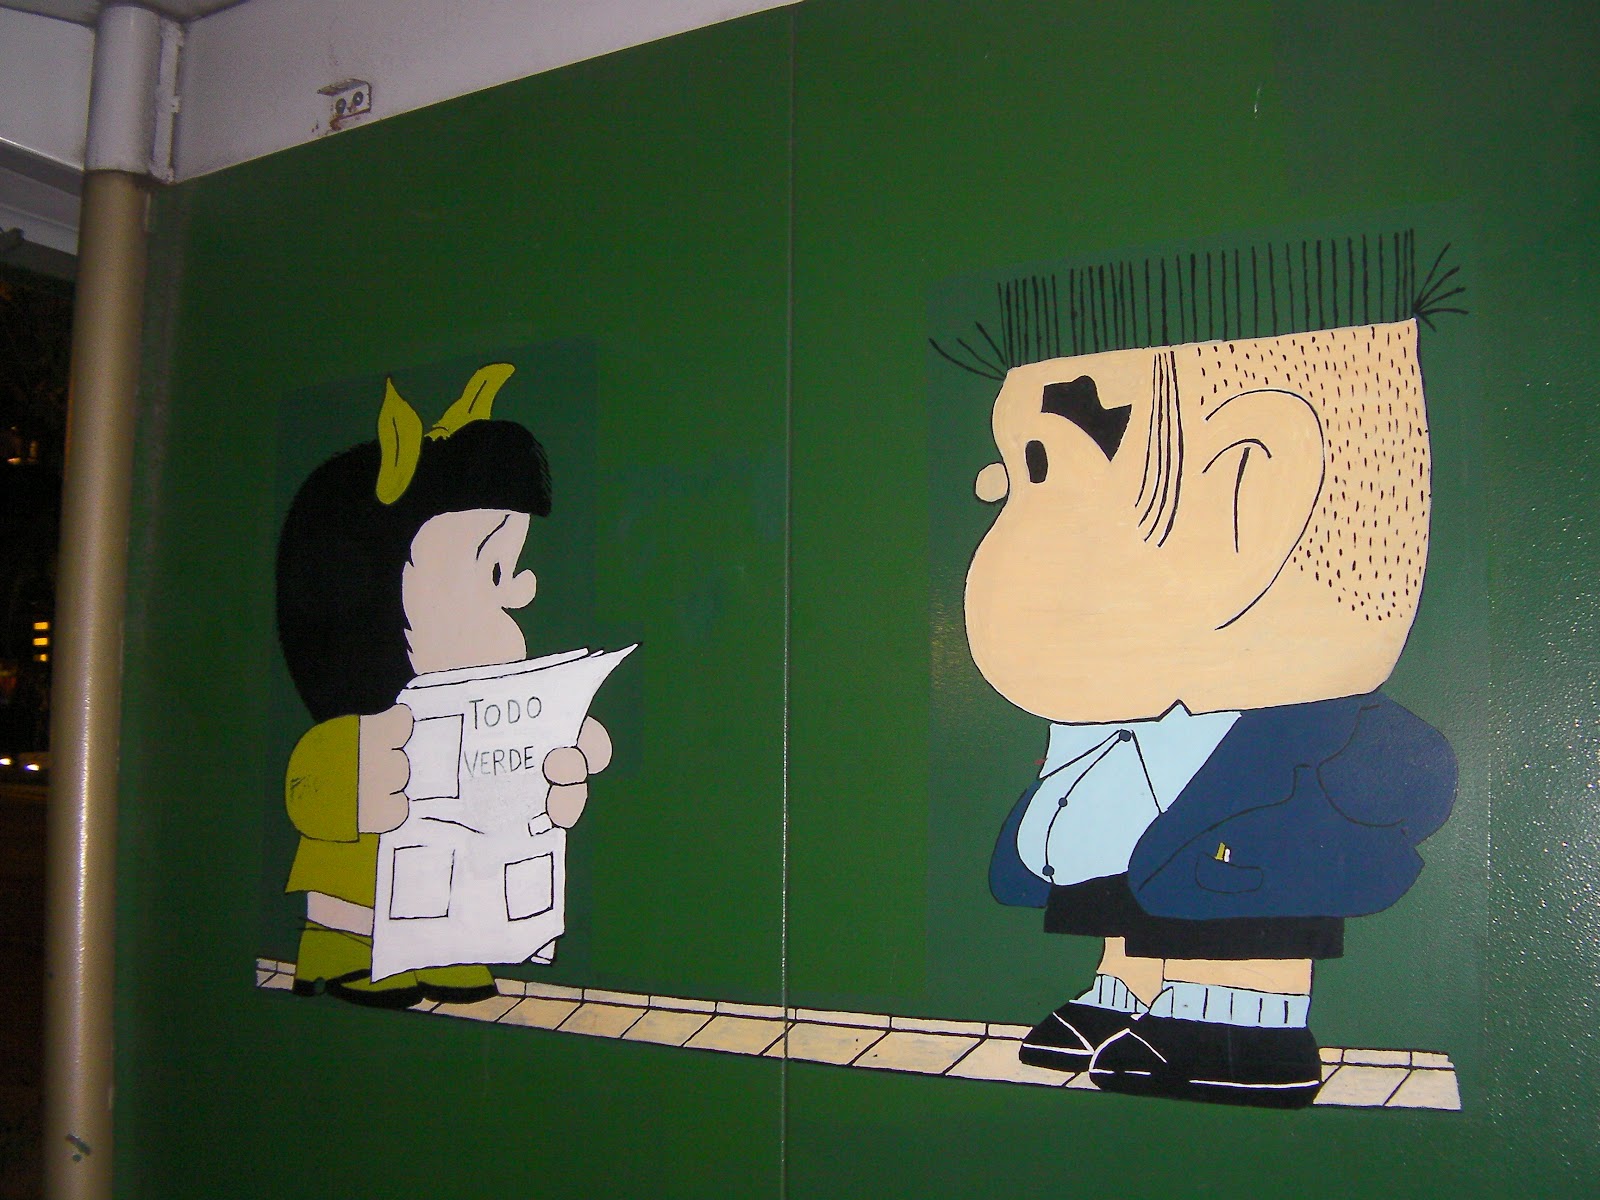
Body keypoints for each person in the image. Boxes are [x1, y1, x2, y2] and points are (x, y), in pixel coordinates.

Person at [962, 320, 1456, 1107]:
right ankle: (1131, 984)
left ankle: (1241, 1012)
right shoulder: (1115, 716)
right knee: (1124, 843)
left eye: (1042, 469)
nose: (993, 490)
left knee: (1228, 865)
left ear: (1246, 484)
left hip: (1251, 826)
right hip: (1154, 742)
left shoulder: (1306, 730)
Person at [275, 364, 609, 1008]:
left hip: (448, 915)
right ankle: (344, 950)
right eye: (492, 572)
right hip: (358, 919)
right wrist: (358, 786)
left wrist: (558, 762)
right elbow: (308, 793)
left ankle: (447, 951)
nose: (522, 591)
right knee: (356, 930)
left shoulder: (482, 714)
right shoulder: (356, 735)